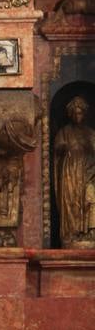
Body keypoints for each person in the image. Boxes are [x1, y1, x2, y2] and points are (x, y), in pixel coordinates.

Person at [54, 95, 95, 247]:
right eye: (75, 113)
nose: (78, 116)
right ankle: (71, 233)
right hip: (70, 171)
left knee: (88, 201)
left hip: (88, 172)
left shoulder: (90, 133)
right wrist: (63, 147)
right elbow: (58, 148)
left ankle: (87, 233)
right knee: (70, 201)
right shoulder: (64, 131)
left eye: (80, 113)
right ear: (71, 114)